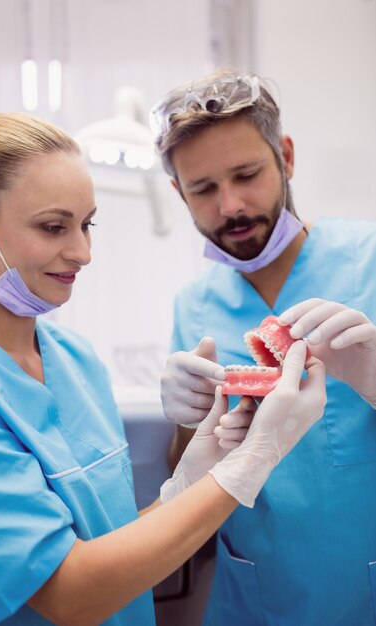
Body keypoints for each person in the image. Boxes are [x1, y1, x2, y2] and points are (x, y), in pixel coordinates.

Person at [0, 112, 326, 626]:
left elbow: (118, 548)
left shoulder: (77, 360)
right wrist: (249, 465)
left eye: (87, 224)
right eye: (52, 227)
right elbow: (71, 594)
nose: (83, 253)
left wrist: (191, 480)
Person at [152, 68, 376, 625]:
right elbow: (189, 479)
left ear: (287, 158)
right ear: (179, 193)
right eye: (203, 188)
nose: (230, 205)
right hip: (254, 591)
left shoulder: (368, 261)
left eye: (247, 174)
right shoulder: (194, 305)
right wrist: (187, 424)